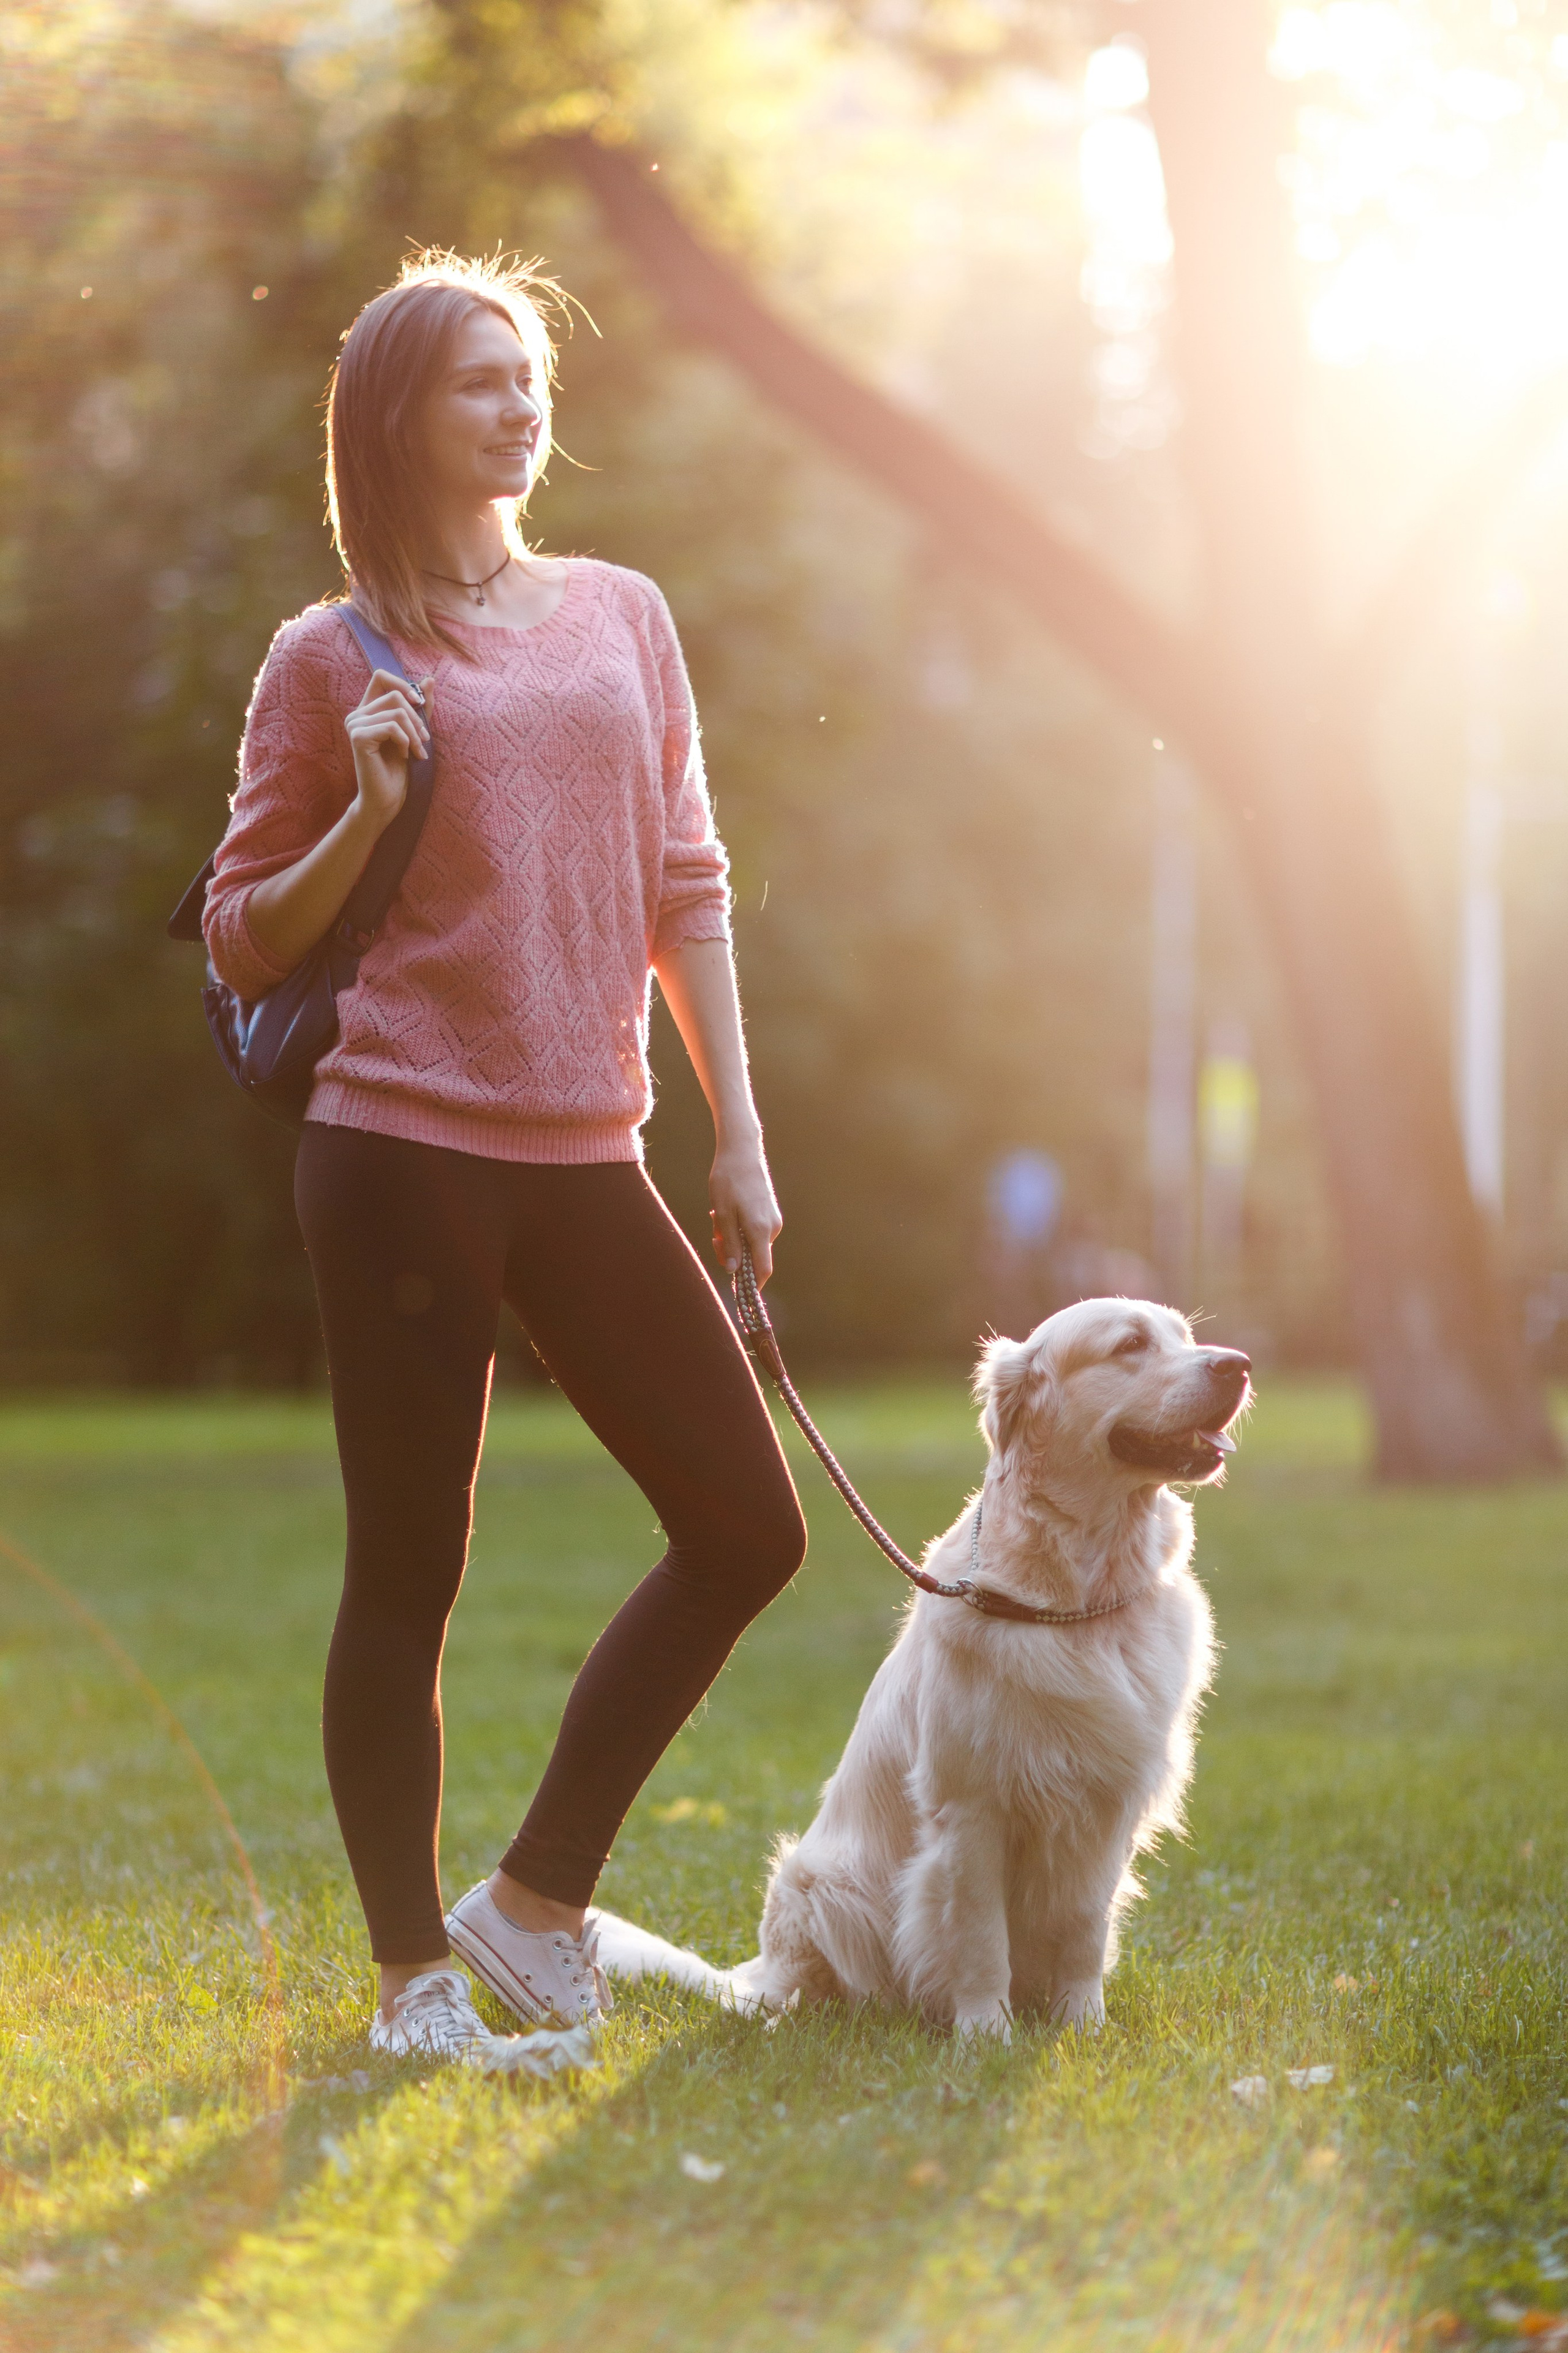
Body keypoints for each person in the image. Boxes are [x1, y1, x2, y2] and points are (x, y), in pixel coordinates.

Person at [203, 251, 806, 2060]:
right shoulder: (332, 655)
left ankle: (536, 1907)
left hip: (588, 1143)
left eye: (530, 371)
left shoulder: (624, 612)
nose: (521, 401)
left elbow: (685, 885)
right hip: (398, 1144)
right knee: (411, 1564)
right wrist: (374, 803)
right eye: (479, 379)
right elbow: (243, 934)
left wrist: (743, 1141)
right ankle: (413, 1984)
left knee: (746, 1523)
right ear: (397, 416)